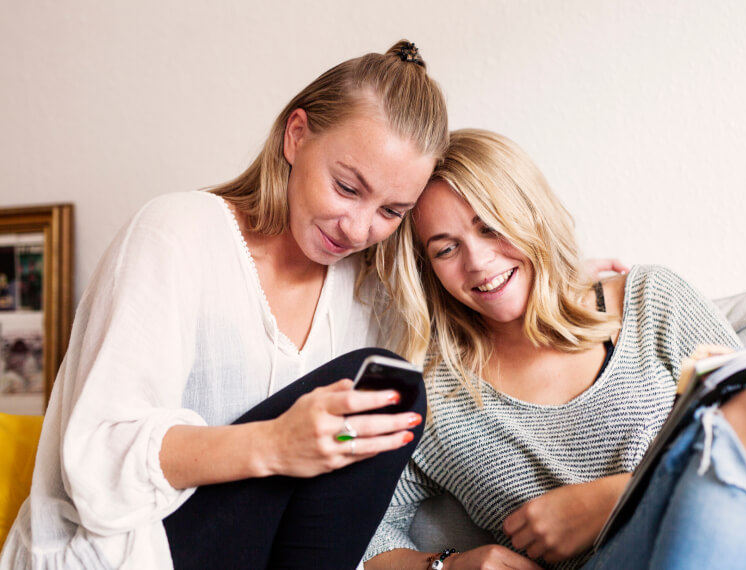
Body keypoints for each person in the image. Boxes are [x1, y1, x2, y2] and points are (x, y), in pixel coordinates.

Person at [363, 129, 746, 569]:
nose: (478, 263)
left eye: (491, 228)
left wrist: (610, 499)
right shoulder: (435, 397)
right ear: (426, 270)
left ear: (531, 216)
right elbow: (359, 535)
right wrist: (449, 566)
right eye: (446, 248)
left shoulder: (648, 300)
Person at [0, 40, 448, 570]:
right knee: (382, 380)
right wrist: (276, 444)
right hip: (119, 551)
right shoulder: (176, 233)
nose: (358, 228)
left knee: (391, 388)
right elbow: (97, 461)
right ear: (297, 136)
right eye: (347, 187)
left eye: (391, 211)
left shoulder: (370, 296)